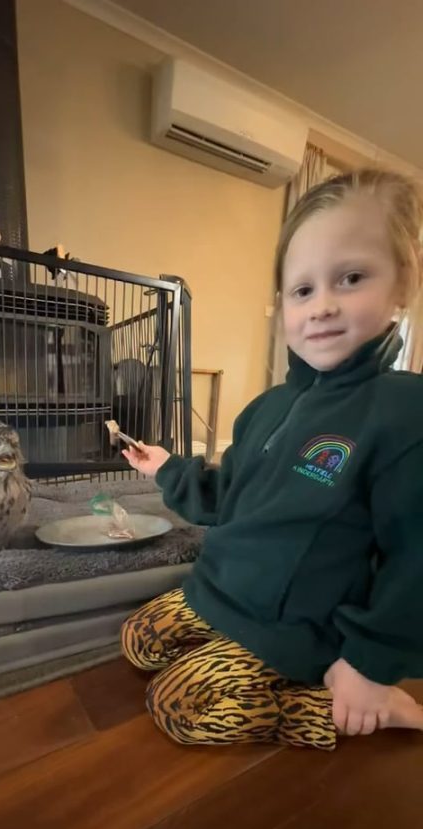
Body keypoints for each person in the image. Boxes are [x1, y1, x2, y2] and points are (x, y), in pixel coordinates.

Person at [121, 168, 423, 752]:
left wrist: (369, 662)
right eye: (303, 290)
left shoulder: (402, 413)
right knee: (138, 639)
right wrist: (165, 467)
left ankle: (339, 701)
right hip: (219, 589)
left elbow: (416, 558)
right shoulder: (267, 407)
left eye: (352, 278)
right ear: (281, 302)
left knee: (180, 705)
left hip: (295, 630)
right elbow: (227, 491)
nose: (323, 306)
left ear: (401, 286)